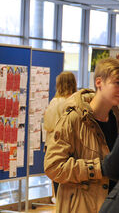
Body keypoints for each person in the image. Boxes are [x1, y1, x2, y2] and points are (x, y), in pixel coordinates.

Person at [44, 58, 119, 213]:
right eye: (117, 83)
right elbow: (53, 167)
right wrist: (98, 169)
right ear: (99, 82)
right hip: (82, 206)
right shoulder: (74, 119)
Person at [43, 71, 77, 200]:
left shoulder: (55, 102)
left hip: (55, 145)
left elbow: (48, 125)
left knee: (58, 180)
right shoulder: (76, 101)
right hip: (73, 147)